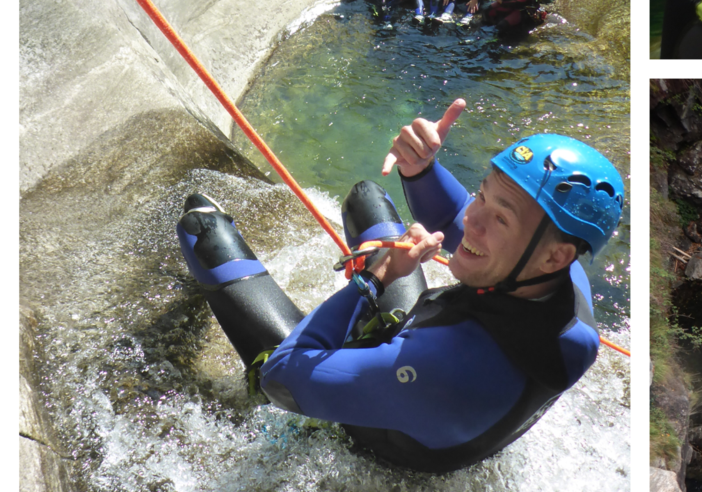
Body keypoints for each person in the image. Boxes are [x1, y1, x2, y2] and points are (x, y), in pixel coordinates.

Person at [174, 99, 624, 473]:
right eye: (482, 194)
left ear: (553, 255)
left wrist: (376, 277)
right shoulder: (564, 279)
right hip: (436, 387)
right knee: (368, 197)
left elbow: (281, 379)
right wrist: (421, 168)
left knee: (202, 230)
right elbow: (455, 210)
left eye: (499, 218)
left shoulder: (445, 366)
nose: (471, 219)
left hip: (390, 436)